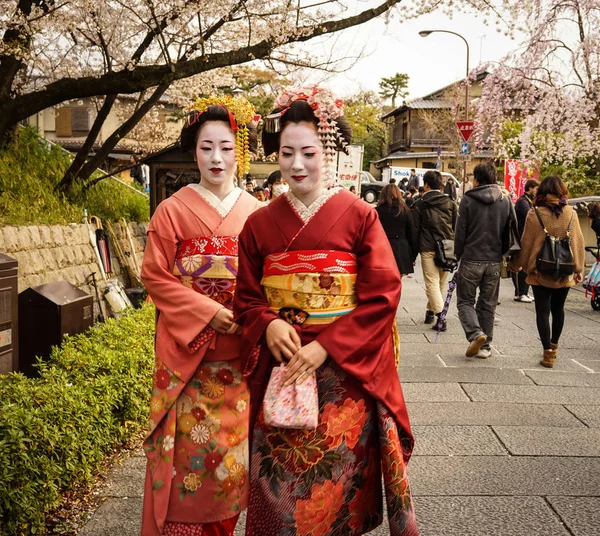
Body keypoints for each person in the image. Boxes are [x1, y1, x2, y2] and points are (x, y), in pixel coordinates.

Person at [233, 87, 418, 536]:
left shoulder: (358, 216)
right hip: (282, 368)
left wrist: (328, 347)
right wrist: (269, 321)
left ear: (329, 152)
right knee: (276, 492)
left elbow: (382, 293)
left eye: (309, 153)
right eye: (287, 153)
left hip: (342, 377)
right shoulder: (259, 223)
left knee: (336, 496)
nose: (297, 165)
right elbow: (246, 296)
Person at [140, 95, 262, 536]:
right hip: (190, 356)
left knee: (230, 466)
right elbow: (155, 275)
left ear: (240, 151)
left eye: (226, 147)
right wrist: (209, 311)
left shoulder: (256, 213)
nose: (216, 157)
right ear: (194, 150)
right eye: (206, 146)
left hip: (240, 358)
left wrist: (252, 316)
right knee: (186, 466)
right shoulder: (172, 209)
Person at [509, 176, 584, 368]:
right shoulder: (571, 214)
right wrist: (579, 269)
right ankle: (555, 346)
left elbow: (526, 243)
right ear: (562, 190)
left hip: (540, 271)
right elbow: (578, 242)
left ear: (542, 191)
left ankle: (547, 353)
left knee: (542, 311)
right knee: (558, 309)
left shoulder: (535, 213)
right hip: (564, 271)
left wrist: (517, 264)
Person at [454, 161, 514, 359]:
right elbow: (510, 231)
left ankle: (475, 334)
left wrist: (457, 254)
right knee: (488, 303)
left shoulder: (468, 200)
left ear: (476, 179)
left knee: (465, 301)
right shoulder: (505, 200)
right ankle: (486, 346)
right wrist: (502, 254)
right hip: (494, 260)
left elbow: (460, 232)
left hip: (471, 257)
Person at [413, 170, 457, 330]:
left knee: (432, 282)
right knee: (440, 283)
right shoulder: (451, 203)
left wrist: (412, 252)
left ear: (426, 184)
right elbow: (456, 225)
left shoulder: (420, 203)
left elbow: (415, 230)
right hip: (447, 247)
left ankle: (441, 317)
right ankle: (430, 312)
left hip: (428, 247)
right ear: (441, 185)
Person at [376, 183, 418, 276]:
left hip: (381, 251)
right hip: (401, 251)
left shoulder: (376, 211)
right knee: (396, 283)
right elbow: (412, 235)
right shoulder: (405, 211)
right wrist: (412, 257)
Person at [512, 179, 539, 303]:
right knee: (522, 264)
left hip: (525, 236)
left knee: (527, 264)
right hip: (521, 236)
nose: (536, 191)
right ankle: (520, 292)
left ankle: (524, 291)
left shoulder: (528, 201)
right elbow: (530, 215)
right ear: (530, 188)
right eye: (535, 189)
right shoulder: (523, 201)